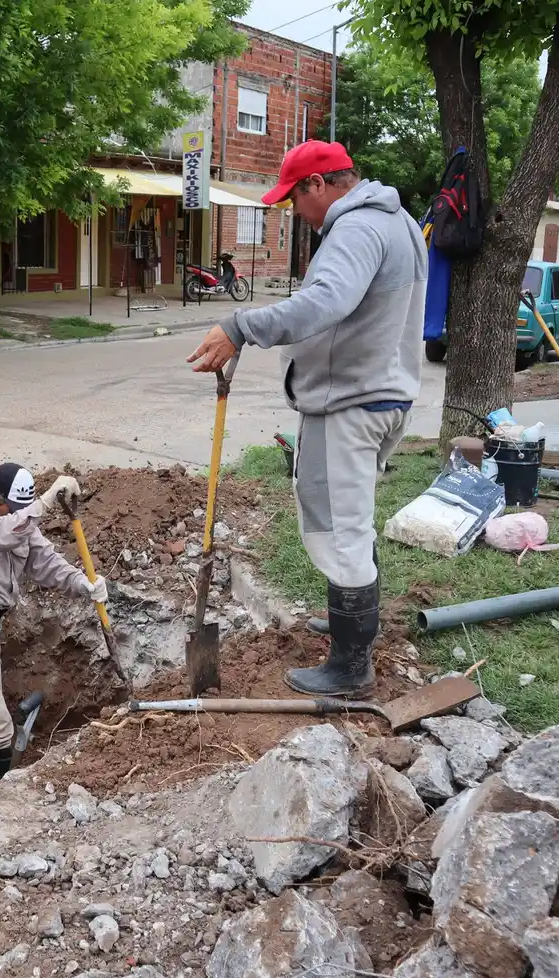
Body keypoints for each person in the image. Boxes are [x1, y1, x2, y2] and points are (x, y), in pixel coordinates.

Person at [186, 140, 427, 698]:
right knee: (352, 518)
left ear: (318, 183)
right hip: (383, 394)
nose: (296, 213)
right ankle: (351, 623)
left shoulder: (356, 229)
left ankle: (349, 665)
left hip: (349, 403)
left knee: (336, 527)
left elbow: (324, 303)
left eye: (295, 199)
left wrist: (240, 326)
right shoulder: (398, 222)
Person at [0, 463, 104, 794]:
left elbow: (45, 562)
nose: (20, 517)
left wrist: (82, 584)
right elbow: (2, 534)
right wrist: (43, 503)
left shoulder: (18, 522)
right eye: (13, 509)